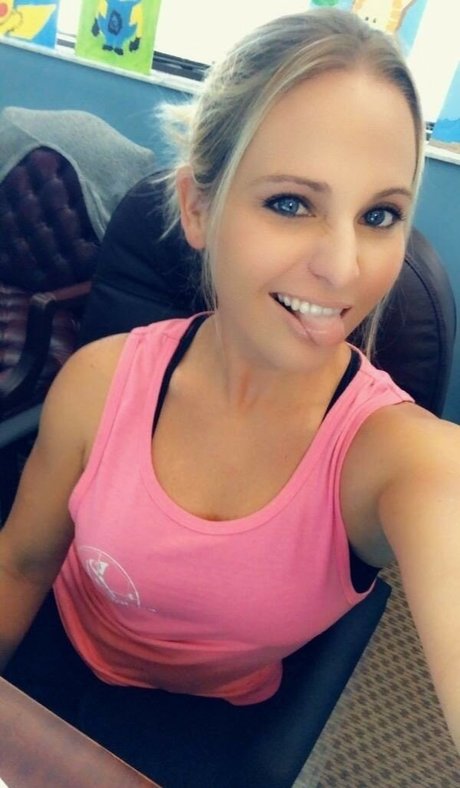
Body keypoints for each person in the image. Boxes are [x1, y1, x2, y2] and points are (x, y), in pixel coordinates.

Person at [1, 7, 459, 785]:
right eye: (291, 203)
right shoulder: (99, 382)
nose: (344, 268)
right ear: (198, 207)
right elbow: (20, 564)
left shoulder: (396, 457)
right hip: (52, 653)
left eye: (380, 215)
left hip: (211, 721)